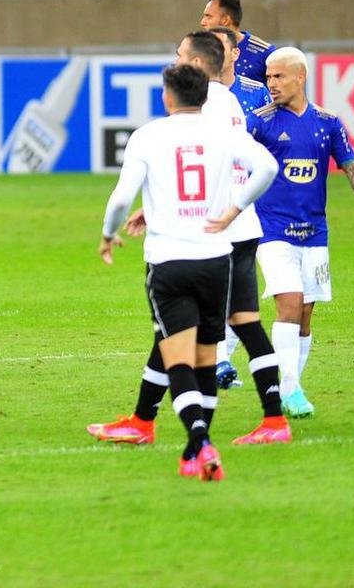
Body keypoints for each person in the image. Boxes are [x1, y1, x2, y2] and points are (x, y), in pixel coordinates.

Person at [88, 33, 291, 448]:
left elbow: (196, 164)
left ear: (195, 64)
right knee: (219, 327)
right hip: (231, 228)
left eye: (181, 54)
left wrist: (222, 207)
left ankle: (248, 422)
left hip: (214, 232)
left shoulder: (203, 109)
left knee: (203, 331)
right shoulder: (228, 99)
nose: (176, 58)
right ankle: (148, 420)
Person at [248, 46, 354, 418]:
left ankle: (292, 387)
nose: (271, 83)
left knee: (305, 313)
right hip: (271, 230)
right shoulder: (260, 122)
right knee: (288, 303)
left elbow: (352, 165)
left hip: (315, 232)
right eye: (268, 77)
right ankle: (289, 388)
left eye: (278, 76)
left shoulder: (328, 122)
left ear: (300, 77)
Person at [208, 25, 272, 388]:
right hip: (232, 208)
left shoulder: (250, 94)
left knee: (224, 300)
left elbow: (265, 151)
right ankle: (223, 363)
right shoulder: (211, 96)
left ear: (235, 54)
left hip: (240, 205)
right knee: (239, 307)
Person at [199, 0, 276, 84]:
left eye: (208, 16)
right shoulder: (198, 50)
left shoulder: (264, 52)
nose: (202, 22)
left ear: (225, 20)